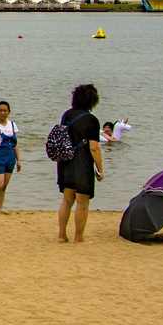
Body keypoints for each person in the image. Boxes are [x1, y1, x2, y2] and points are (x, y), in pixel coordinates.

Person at [57, 83, 105, 243]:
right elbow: (94, 148)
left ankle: (62, 235)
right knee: (82, 202)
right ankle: (79, 237)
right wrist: (100, 169)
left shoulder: (66, 115)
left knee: (67, 200)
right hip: (82, 163)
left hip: (65, 160)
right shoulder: (92, 120)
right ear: (92, 100)